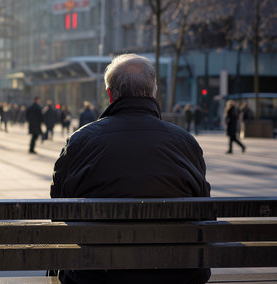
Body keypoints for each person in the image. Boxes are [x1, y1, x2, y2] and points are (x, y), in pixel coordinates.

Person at [50, 54, 211, 284]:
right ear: (154, 92)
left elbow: (58, 208)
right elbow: (205, 211)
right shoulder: (185, 142)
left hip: (94, 276)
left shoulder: (80, 141)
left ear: (110, 94)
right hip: (177, 275)